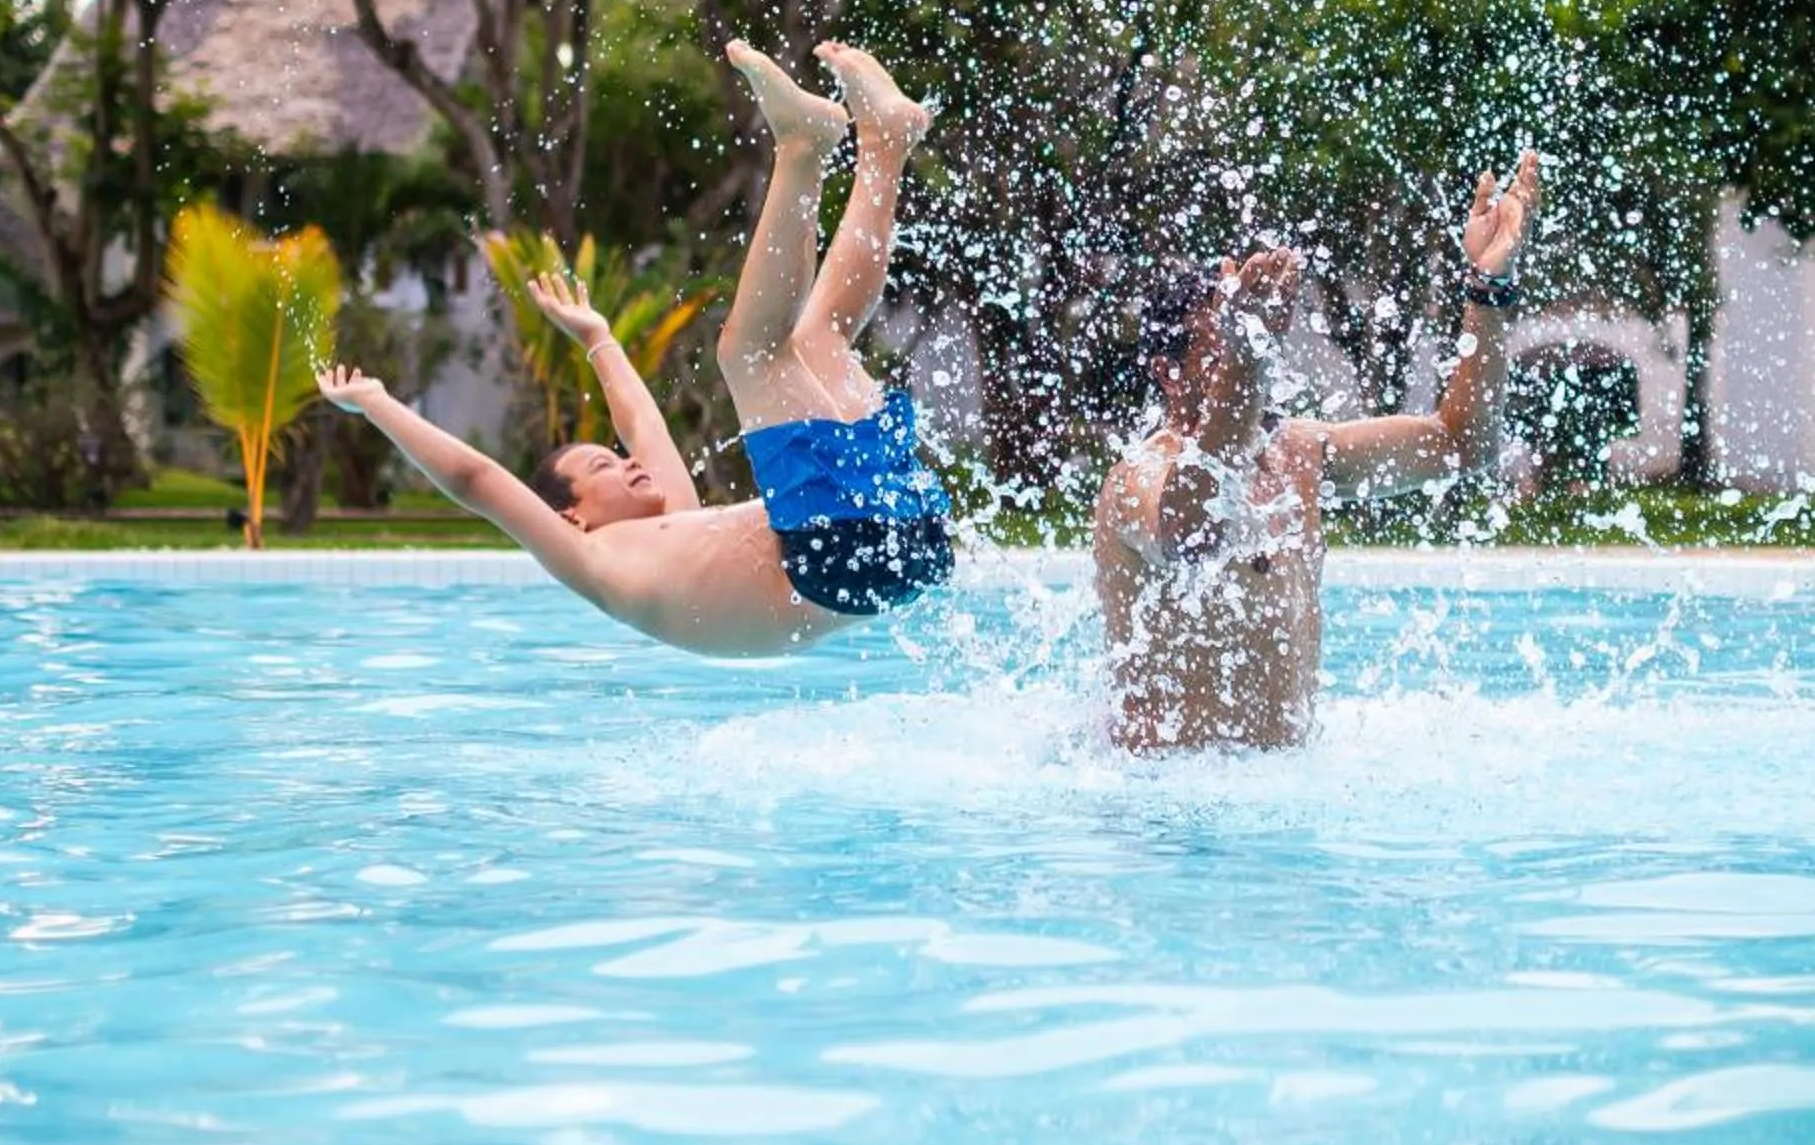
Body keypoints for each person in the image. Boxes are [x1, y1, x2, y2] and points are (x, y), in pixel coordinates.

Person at [315, 41, 952, 657]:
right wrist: (377, 404)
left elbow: (640, 421)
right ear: (572, 518)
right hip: (839, 553)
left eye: (613, 459)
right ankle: (801, 148)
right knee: (748, 352)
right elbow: (476, 480)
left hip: (893, 530)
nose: (626, 464)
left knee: (817, 338)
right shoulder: (592, 559)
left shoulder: (671, 516)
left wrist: (599, 339)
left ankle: (884, 145)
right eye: (601, 471)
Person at [1094, 153, 1542, 752]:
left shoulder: (1298, 453)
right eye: (1226, 339)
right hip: (1163, 812)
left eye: (1256, 333)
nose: (1254, 349)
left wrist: (1488, 290)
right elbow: (1192, 531)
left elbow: (1464, 443)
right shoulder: (1135, 478)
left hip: (1276, 808)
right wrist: (1247, 357)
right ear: (1169, 373)